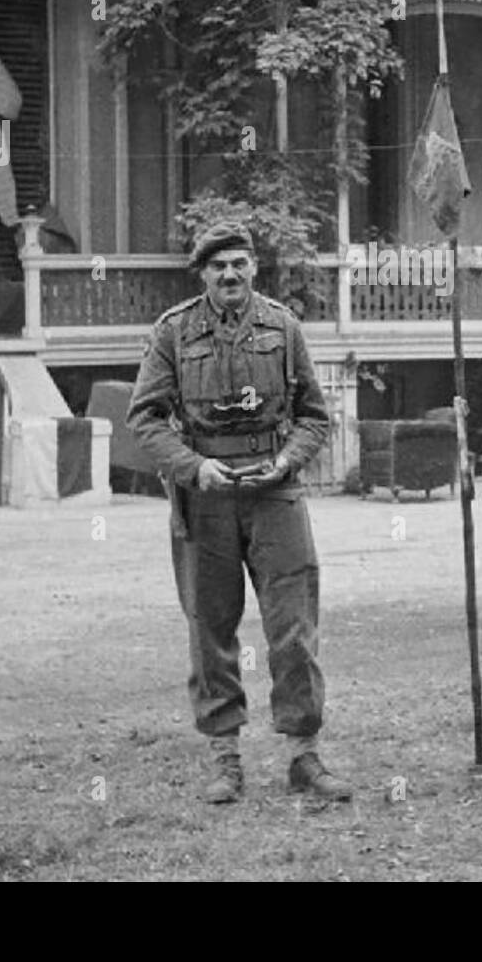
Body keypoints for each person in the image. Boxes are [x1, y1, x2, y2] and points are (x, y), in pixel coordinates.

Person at [126, 222, 352, 804]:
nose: (230, 274)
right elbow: (145, 418)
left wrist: (287, 460)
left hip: (274, 493)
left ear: (254, 268)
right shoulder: (174, 332)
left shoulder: (283, 326)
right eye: (218, 265)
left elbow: (314, 416)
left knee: (293, 628)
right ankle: (225, 761)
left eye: (240, 263)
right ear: (202, 273)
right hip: (206, 497)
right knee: (210, 628)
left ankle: (304, 756)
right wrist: (192, 467)